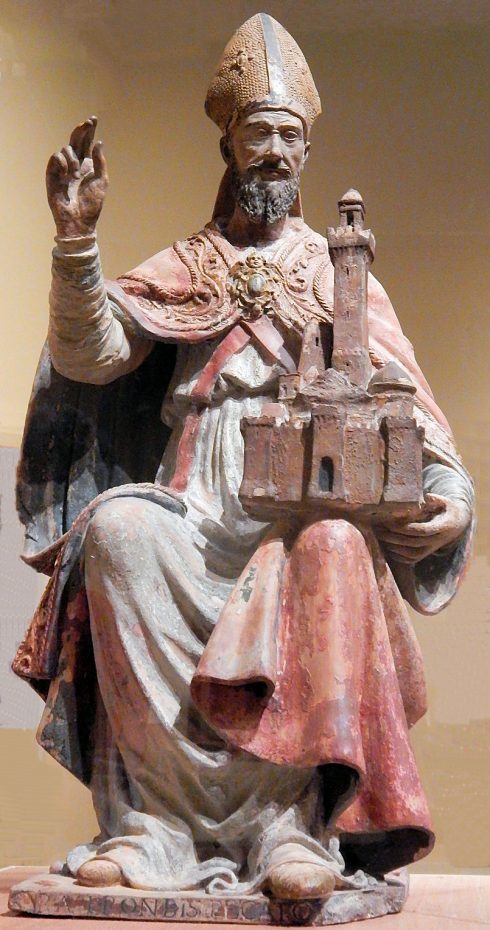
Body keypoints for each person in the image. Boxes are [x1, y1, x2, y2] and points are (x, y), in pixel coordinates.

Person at [13, 14, 473, 901]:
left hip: (291, 517)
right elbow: (92, 353)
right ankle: (153, 827)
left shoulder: (338, 273)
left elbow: (407, 401)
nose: (272, 151)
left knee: (332, 546)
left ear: (307, 150)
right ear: (227, 141)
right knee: (116, 533)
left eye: (288, 135)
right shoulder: (189, 264)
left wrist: (445, 489)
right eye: (258, 132)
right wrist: (76, 244)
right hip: (194, 504)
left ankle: (289, 834)